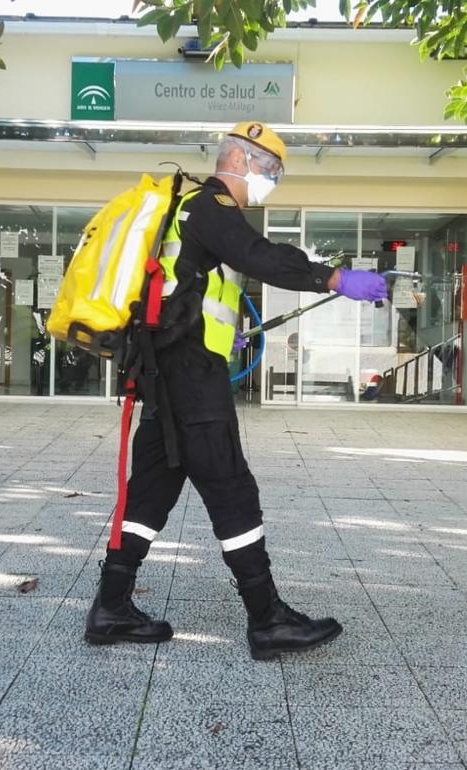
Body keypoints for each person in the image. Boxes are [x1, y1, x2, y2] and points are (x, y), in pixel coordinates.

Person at [84, 122, 388, 660]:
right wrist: (335, 279)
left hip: (167, 373)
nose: (272, 181)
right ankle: (266, 617)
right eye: (271, 171)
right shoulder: (210, 206)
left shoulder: (186, 212)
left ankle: (111, 606)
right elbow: (260, 257)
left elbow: (196, 293)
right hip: (189, 377)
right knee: (231, 489)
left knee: (151, 489)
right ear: (243, 162)